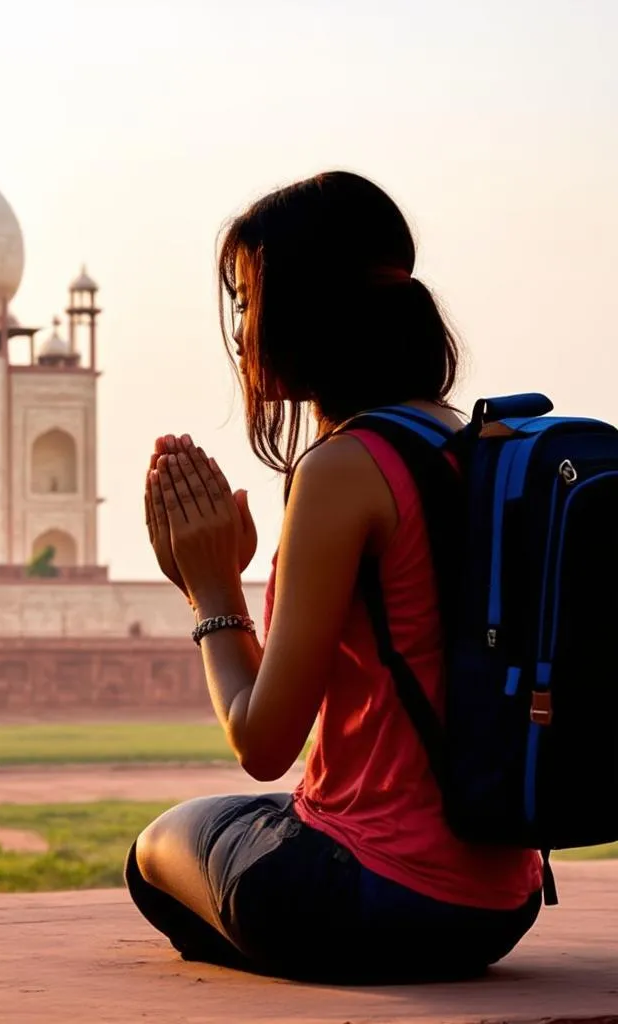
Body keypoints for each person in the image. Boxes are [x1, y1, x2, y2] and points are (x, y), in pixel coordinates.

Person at [127, 170, 543, 984]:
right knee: (261, 823)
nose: (242, 330)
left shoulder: (345, 469)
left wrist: (209, 586)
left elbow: (262, 742)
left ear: (303, 312)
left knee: (153, 856)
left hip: (374, 899)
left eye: (248, 302)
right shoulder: (468, 442)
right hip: (502, 903)